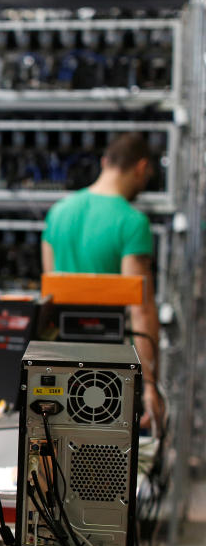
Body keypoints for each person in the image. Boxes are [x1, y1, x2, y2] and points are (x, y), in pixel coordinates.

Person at [41, 132, 164, 428]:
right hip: (108, 378)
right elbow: (140, 309)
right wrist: (149, 386)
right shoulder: (132, 222)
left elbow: (49, 296)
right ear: (141, 167)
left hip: (60, 363)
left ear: (104, 162)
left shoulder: (57, 213)